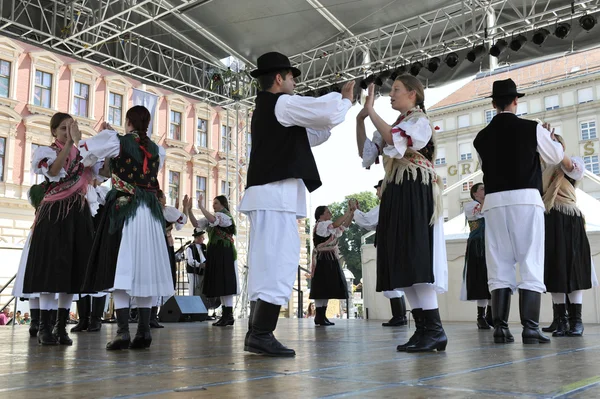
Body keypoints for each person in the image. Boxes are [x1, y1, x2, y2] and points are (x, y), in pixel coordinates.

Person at [239, 51, 354, 357]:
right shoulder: (282, 103)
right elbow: (327, 114)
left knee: (270, 262)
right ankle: (261, 333)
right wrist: (346, 100)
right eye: (292, 77)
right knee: (281, 261)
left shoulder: (271, 108)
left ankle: (257, 332)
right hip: (275, 197)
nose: (294, 83)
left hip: (270, 196)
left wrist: (335, 114)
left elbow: (316, 133)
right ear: (279, 78)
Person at [473, 78, 566, 345]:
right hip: (526, 199)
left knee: (499, 263)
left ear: (493, 104)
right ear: (516, 101)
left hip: (494, 202)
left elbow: (485, 167)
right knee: (530, 261)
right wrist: (548, 135)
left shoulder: (481, 137)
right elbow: (556, 157)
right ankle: (530, 327)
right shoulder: (532, 128)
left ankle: (501, 328)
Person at [359, 75, 448, 353]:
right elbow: (366, 154)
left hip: (414, 190)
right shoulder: (395, 125)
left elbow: (393, 140)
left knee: (415, 257)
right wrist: (360, 118)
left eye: (396, 90)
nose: (391, 94)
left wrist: (371, 110)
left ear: (413, 94)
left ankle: (434, 330)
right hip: (397, 191)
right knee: (402, 260)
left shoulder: (418, 121)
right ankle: (424, 329)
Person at [77, 105, 174, 350]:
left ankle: (122, 332)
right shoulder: (158, 150)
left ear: (128, 121)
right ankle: (143, 331)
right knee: (145, 270)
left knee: (120, 268)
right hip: (150, 214)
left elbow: (84, 154)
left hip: (124, 210)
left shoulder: (115, 141)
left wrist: (94, 139)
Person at [21, 112, 99, 346]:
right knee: (50, 268)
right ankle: (44, 326)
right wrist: (72, 145)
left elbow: (100, 175)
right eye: (63, 129)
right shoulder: (47, 152)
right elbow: (54, 172)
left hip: (78, 213)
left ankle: (61, 326)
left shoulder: (83, 154)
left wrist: (106, 144)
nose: (67, 132)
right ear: (54, 131)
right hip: (54, 214)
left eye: (71, 128)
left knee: (72, 270)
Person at [542, 132, 597, 337]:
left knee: (573, 267)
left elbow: (573, 170)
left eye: (554, 144)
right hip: (549, 218)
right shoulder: (541, 169)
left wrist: (551, 143)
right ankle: (562, 321)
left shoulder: (572, 163)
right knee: (554, 268)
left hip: (569, 218)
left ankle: (576, 321)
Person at [353, 179, 408, 327]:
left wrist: (355, 211)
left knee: (390, 278)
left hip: (389, 245)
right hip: (397, 244)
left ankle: (399, 316)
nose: (376, 192)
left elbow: (367, 221)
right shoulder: (400, 204)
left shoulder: (384, 206)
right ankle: (400, 316)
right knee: (395, 279)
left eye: (378, 189)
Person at [184, 194, 238, 327]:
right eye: (213, 203)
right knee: (220, 283)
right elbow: (197, 224)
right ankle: (226, 315)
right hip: (216, 252)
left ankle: (228, 315)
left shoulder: (225, 217)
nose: (214, 206)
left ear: (223, 205)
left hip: (224, 251)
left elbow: (214, 220)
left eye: (216, 203)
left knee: (225, 283)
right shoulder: (212, 218)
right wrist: (189, 210)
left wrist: (201, 206)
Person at [310, 204, 354, 326]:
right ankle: (319, 316)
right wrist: (346, 213)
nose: (330, 214)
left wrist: (351, 213)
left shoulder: (328, 226)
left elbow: (344, 226)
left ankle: (322, 316)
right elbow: (335, 225)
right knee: (321, 287)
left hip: (329, 258)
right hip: (322, 258)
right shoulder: (321, 225)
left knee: (327, 286)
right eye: (328, 212)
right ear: (321, 215)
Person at [459, 183, 493, 329]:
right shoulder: (470, 206)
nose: (485, 190)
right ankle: (481, 317)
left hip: (491, 245)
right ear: (475, 194)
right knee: (480, 279)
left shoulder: (491, 204)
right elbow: (481, 212)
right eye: (482, 189)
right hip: (478, 246)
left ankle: (492, 315)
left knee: (493, 279)